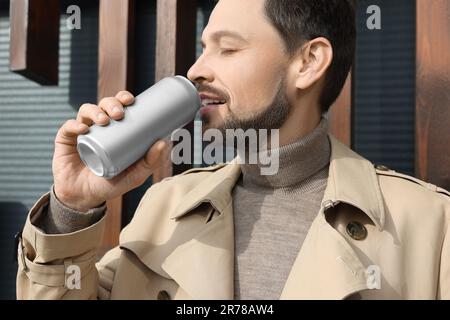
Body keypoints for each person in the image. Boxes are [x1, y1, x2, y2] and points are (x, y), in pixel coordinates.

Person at [17, 0, 449, 300]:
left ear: (309, 62)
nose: (197, 70)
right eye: (204, 48)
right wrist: (71, 206)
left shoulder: (430, 224)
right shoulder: (165, 206)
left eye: (227, 48)